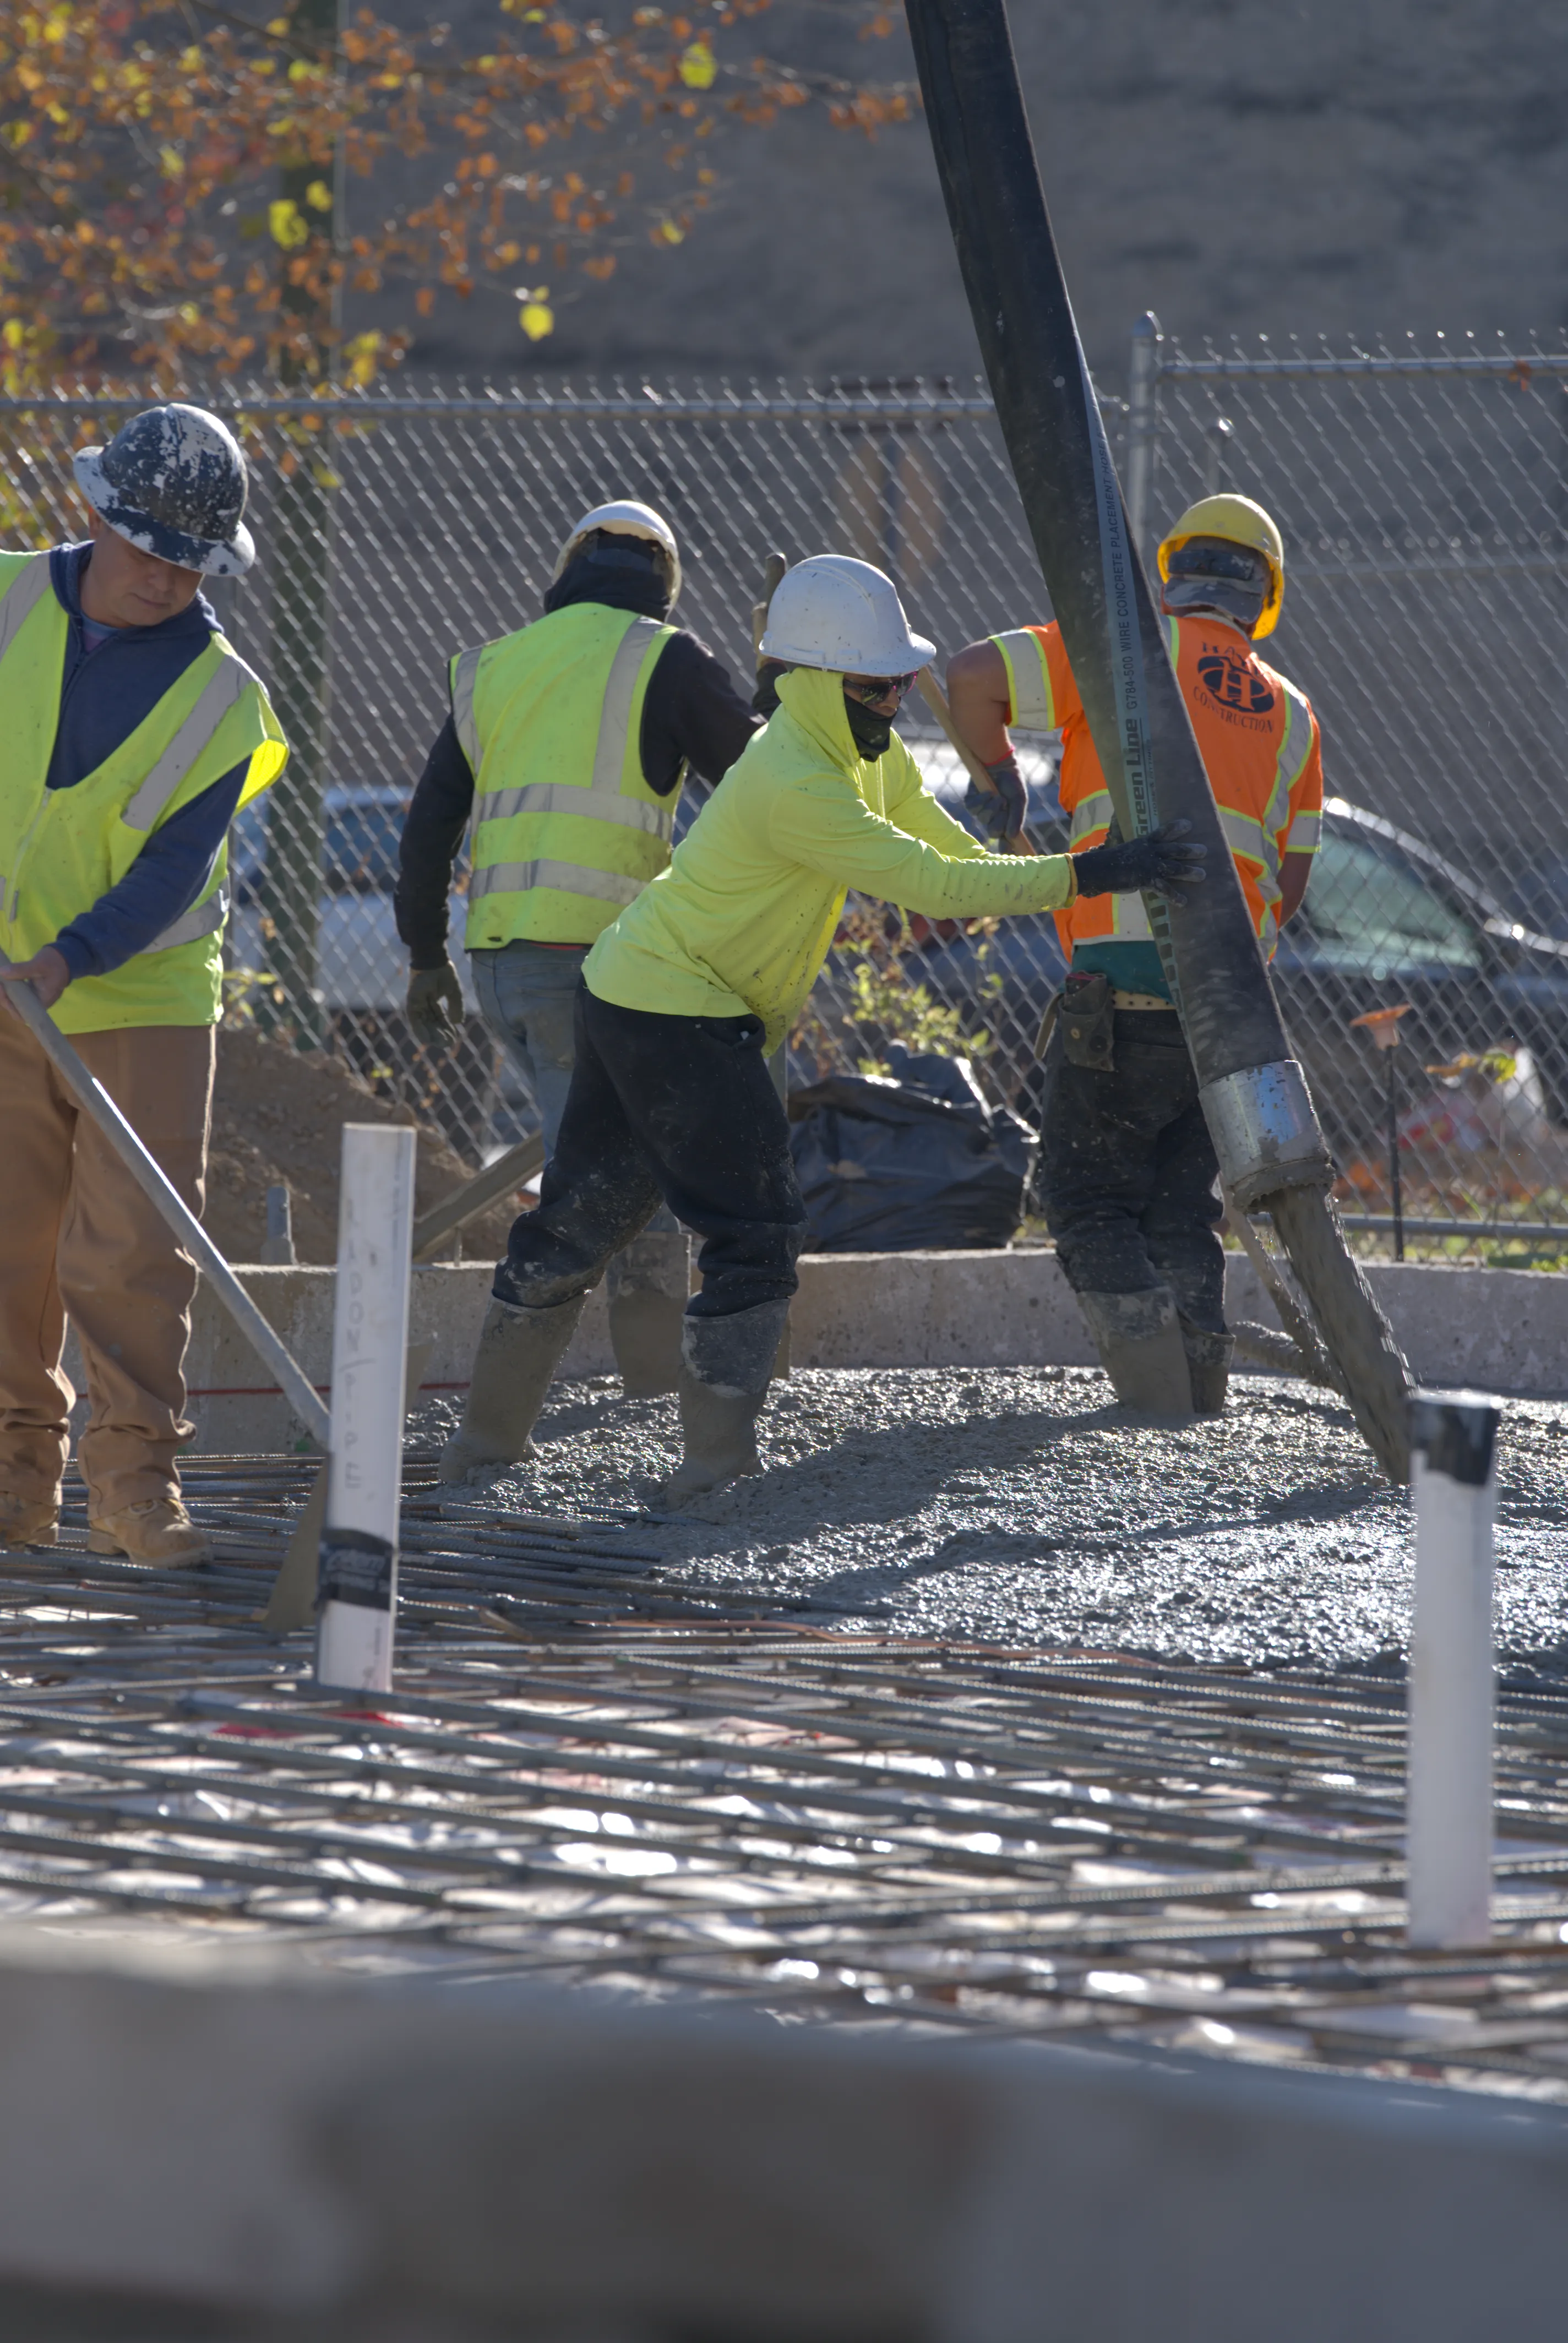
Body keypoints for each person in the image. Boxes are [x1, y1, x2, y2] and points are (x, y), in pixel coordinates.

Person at [438, 553, 1202, 1502]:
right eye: (877, 685)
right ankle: (713, 1470)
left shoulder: (852, 752)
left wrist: (1018, 841)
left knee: (582, 1216)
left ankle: (483, 1447)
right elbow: (936, 888)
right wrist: (1095, 871)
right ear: (813, 678)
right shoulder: (797, 778)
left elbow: (947, 850)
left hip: (638, 990)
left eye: (900, 682)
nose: (896, 700)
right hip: (679, 1010)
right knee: (754, 1229)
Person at [946, 492, 1322, 1417]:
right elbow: (1294, 878)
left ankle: (1150, 1400)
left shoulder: (1111, 652)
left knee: (1084, 1201)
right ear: (1262, 597)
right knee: (1182, 1210)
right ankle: (1197, 1397)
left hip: (1116, 981)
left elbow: (962, 680)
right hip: (1230, 1006)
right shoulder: (1296, 716)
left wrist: (1005, 793)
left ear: (1173, 574)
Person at [0, 404, 287, 1563]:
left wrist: (69, 958)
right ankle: (14, 1484)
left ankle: (134, 1487)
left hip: (139, 997)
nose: (166, 580)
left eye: (190, 564)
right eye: (148, 552)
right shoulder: (9, 601)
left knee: (131, 1252)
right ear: (93, 514)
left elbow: (175, 868)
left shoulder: (225, 700)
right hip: (5, 989)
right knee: (9, 1241)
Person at [394, 499, 758, 1397]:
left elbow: (430, 822)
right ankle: (575, 1400)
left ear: (567, 570)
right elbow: (762, 787)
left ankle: (606, 1394)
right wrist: (782, 688)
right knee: (616, 1188)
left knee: (605, 1168)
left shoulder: (494, 668)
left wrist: (424, 954)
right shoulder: (666, 660)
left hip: (505, 970)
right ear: (665, 583)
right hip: (610, 973)